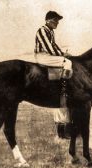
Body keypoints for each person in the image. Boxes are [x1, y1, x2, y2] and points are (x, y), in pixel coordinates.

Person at [35, 11, 71, 139]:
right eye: (56, 21)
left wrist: (62, 52)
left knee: (66, 60)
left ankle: (63, 84)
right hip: (42, 57)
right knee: (67, 62)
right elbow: (49, 48)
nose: (57, 23)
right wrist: (62, 56)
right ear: (49, 20)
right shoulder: (42, 30)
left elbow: (54, 45)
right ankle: (65, 85)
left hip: (48, 56)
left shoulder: (51, 31)